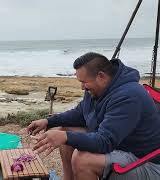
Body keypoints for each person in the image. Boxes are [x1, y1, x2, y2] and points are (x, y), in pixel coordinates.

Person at [27, 52, 160, 180]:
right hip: (119, 146)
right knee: (66, 131)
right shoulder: (97, 89)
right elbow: (80, 114)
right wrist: (48, 122)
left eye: (84, 82)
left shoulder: (129, 96)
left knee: (83, 160)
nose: (82, 87)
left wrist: (64, 137)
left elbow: (104, 142)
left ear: (101, 76)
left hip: (144, 162)